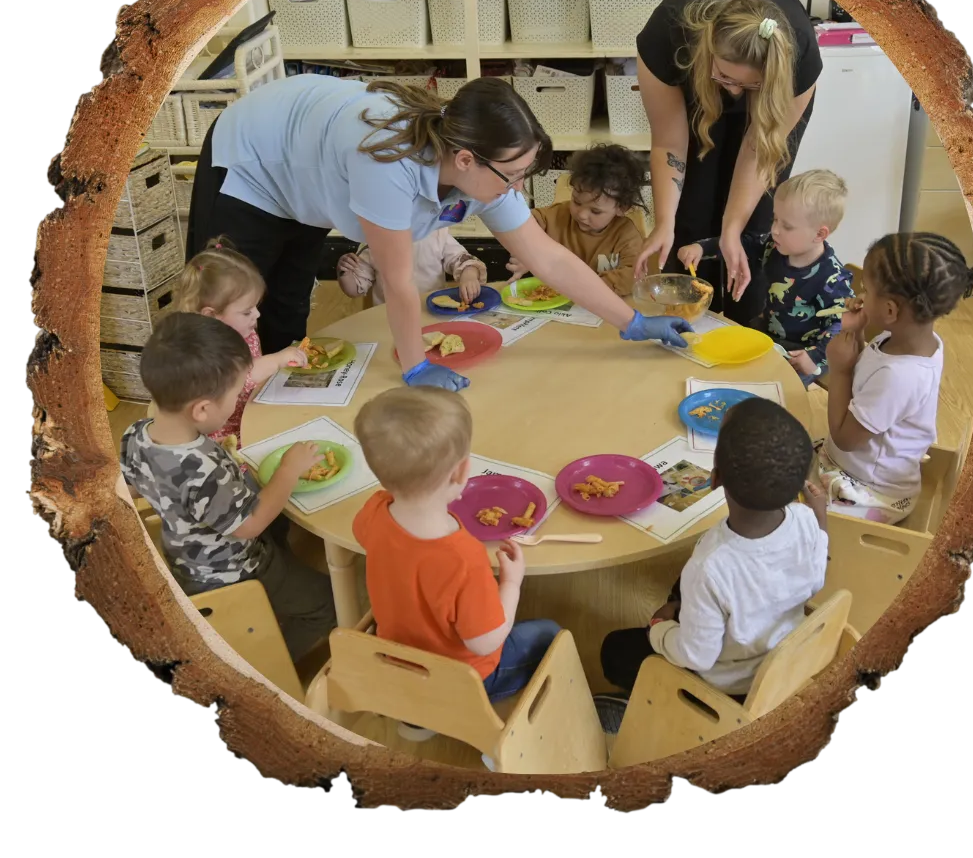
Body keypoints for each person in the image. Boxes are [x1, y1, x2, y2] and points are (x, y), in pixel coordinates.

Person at [187, 74, 692, 393]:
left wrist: (631, 323)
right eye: (513, 176)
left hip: (309, 178)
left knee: (284, 312)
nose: (518, 189)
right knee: (225, 316)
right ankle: (211, 437)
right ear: (467, 159)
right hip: (256, 159)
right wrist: (414, 366)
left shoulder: (480, 169)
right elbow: (399, 280)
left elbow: (550, 259)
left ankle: (268, 424)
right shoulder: (386, 161)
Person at [594, 398, 829, 732]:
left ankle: (662, 708)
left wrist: (659, 628)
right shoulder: (806, 519)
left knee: (614, 650)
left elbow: (697, 657)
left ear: (714, 478)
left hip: (728, 687)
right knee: (682, 590)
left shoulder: (711, 567)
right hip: (783, 655)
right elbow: (816, 580)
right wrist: (820, 518)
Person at [352, 387, 561, 757]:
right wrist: (510, 583)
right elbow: (484, 642)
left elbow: (366, 537)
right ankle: (449, 712)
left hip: (398, 661)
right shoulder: (464, 557)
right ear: (463, 471)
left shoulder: (375, 510)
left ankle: (416, 717)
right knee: (550, 634)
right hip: (461, 680)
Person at [119, 312, 338, 663]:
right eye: (235, 395)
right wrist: (288, 470)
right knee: (329, 604)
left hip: (188, 560)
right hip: (233, 571)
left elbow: (131, 488)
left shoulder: (137, 434)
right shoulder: (201, 471)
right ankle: (264, 670)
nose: (237, 401)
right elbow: (250, 525)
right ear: (202, 409)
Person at [632, 0, 822, 325]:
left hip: (772, 98)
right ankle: (688, 321)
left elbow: (758, 147)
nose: (735, 93)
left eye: (748, 85)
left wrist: (732, 229)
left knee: (754, 227)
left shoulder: (800, 60)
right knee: (690, 212)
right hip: (695, 85)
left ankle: (747, 323)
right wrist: (663, 223)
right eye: (727, 79)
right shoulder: (667, 37)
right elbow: (669, 144)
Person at [816, 231, 973, 525]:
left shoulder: (899, 377)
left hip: (872, 491)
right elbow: (872, 379)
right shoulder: (912, 340)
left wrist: (839, 370)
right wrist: (857, 335)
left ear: (890, 310)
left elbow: (845, 439)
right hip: (861, 468)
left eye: (867, 290)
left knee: (798, 515)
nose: (861, 297)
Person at [677, 169, 854, 386]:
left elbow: (842, 324)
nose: (775, 230)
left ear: (820, 234)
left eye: (786, 226)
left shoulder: (833, 278)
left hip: (800, 355)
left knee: (772, 394)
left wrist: (816, 357)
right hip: (765, 336)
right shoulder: (774, 245)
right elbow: (743, 244)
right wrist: (702, 248)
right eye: (775, 219)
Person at [175, 236, 309, 449]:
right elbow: (240, 377)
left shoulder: (241, 329)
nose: (257, 314)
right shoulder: (202, 350)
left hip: (252, 412)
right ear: (211, 315)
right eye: (247, 311)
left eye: (256, 306)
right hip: (224, 438)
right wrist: (276, 360)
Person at [505, 143, 646, 297]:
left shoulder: (626, 234)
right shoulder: (557, 215)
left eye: (595, 211)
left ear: (621, 208)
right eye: (577, 202)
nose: (582, 214)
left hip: (601, 306)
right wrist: (527, 254)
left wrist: (588, 287)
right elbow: (522, 223)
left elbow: (634, 274)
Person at [335, 228, 488, 307]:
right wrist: (344, 272)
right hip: (388, 316)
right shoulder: (373, 240)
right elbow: (354, 290)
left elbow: (462, 260)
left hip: (434, 310)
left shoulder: (437, 233)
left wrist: (469, 276)